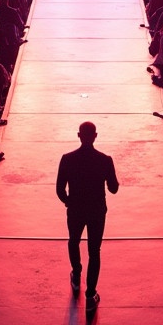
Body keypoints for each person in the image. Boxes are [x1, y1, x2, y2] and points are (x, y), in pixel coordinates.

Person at [55, 121, 118, 313]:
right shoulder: (105, 160)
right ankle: (90, 295)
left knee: (73, 241)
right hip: (97, 210)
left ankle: (76, 273)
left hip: (75, 209)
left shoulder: (67, 159)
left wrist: (68, 201)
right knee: (94, 251)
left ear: (79, 135)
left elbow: (59, 189)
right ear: (95, 136)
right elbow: (113, 189)